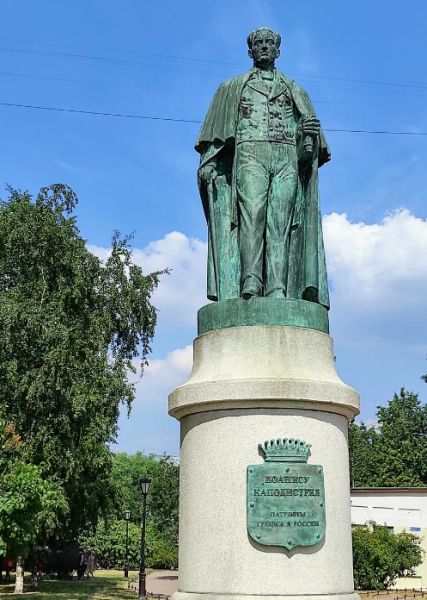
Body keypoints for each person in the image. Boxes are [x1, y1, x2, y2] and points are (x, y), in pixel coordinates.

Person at [196, 27, 330, 308]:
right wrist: (210, 162)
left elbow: (310, 153)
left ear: (278, 50)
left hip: (286, 157)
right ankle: (251, 281)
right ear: (251, 51)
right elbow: (216, 136)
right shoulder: (233, 87)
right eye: (259, 43)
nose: (265, 47)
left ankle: (278, 289)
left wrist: (306, 135)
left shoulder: (295, 90)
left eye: (270, 43)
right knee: (252, 215)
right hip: (249, 153)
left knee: (280, 223)